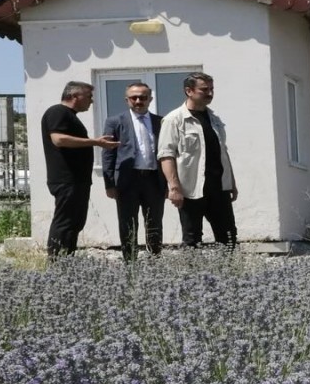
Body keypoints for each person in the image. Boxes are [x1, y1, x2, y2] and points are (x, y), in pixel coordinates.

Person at [158, 72, 239, 248]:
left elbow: (222, 152)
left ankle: (229, 273)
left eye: (211, 89)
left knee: (228, 236)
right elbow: (166, 155)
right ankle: (191, 275)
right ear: (189, 91)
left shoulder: (215, 120)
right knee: (192, 238)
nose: (209, 93)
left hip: (218, 187)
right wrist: (174, 187)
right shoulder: (174, 120)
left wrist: (231, 182)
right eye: (204, 89)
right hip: (191, 189)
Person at [40, 80, 118, 259]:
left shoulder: (70, 115)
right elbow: (59, 139)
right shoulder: (57, 112)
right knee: (65, 222)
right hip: (66, 180)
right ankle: (58, 263)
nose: (91, 101)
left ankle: (68, 262)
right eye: (88, 96)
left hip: (76, 180)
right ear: (75, 96)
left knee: (75, 223)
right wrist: (95, 142)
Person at [102, 82, 165, 261]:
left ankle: (155, 261)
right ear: (127, 100)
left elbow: (169, 153)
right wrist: (109, 183)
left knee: (154, 223)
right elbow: (108, 153)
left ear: (150, 99)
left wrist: (169, 182)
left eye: (143, 97)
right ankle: (130, 263)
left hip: (153, 179)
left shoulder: (160, 122)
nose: (138, 101)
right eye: (134, 97)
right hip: (127, 181)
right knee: (127, 223)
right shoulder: (115, 121)